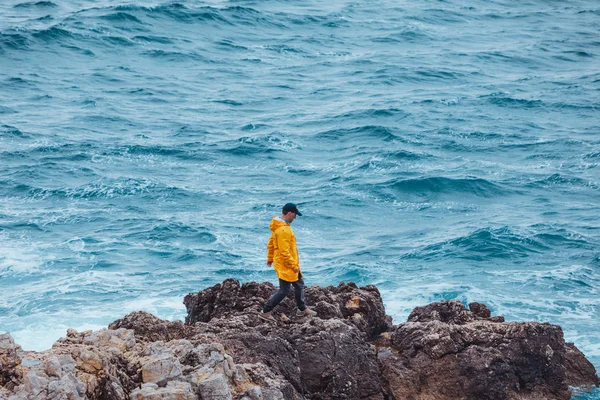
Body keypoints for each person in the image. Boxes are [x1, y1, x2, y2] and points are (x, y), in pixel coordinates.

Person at [259, 203, 317, 322]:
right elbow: (284, 252)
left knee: (299, 284)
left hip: (284, 263)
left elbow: (271, 244)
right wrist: (293, 265)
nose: (295, 218)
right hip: (286, 265)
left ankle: (301, 309)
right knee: (284, 290)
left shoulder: (278, 226)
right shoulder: (284, 230)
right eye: (295, 215)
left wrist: (270, 258)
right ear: (290, 213)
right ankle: (266, 311)